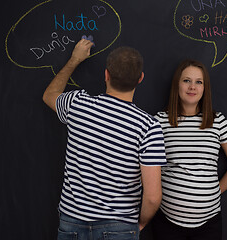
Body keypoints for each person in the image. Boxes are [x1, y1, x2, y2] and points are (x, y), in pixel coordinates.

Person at [42, 39, 166, 240]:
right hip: (121, 226)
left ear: (106, 74)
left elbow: (49, 95)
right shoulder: (148, 126)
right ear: (140, 78)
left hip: (72, 221)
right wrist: (139, 223)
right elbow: (152, 197)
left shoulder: (77, 105)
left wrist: (74, 60)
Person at [152, 59, 227, 240]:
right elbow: (146, 168)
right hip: (167, 222)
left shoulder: (217, 120)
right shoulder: (159, 121)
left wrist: (214, 192)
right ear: (177, 84)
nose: (192, 87)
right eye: (186, 80)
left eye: (198, 82)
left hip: (208, 223)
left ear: (205, 88)